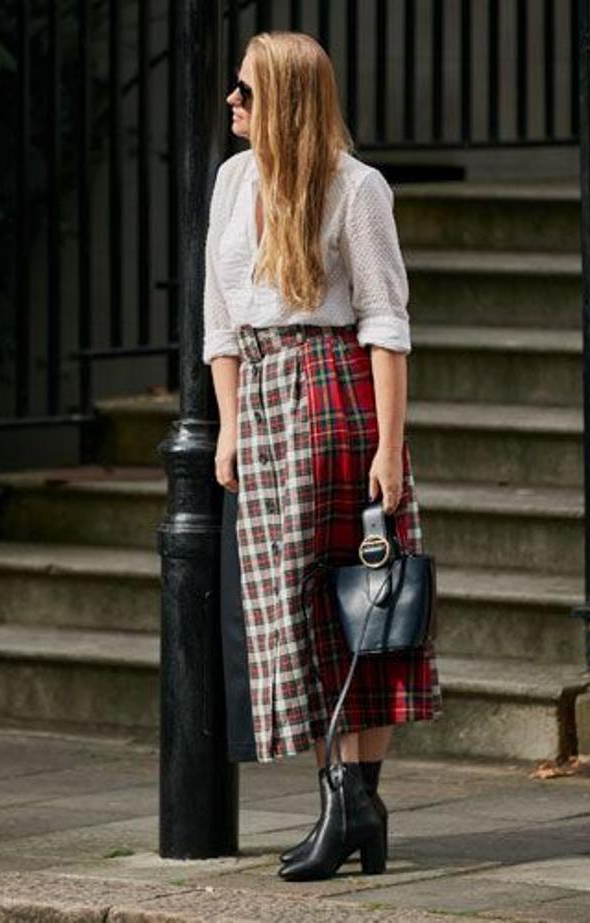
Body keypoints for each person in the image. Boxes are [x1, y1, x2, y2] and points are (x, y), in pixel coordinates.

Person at [204, 33, 441, 881]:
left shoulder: (356, 188)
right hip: (264, 404)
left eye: (245, 91)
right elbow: (218, 324)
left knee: (358, 611)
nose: (230, 103)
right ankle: (353, 812)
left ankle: (349, 806)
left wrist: (387, 444)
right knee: (295, 618)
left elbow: (385, 322)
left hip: (335, 395)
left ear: (286, 102)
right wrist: (229, 425)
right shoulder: (234, 182)